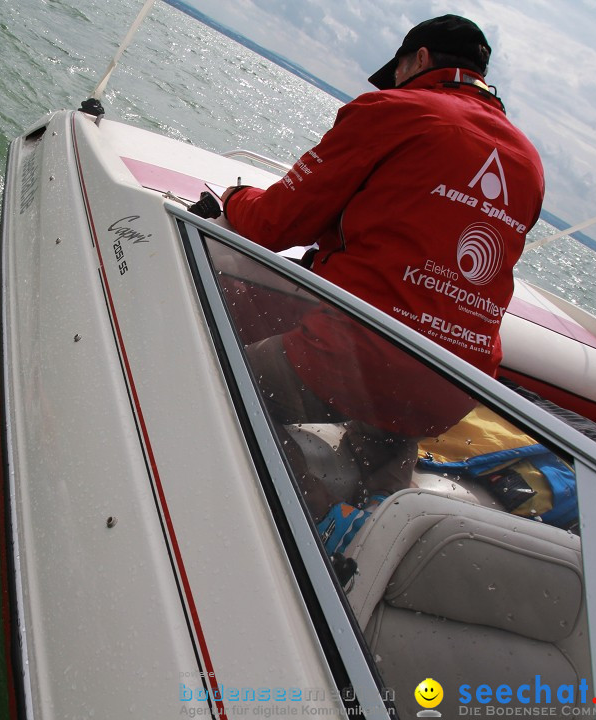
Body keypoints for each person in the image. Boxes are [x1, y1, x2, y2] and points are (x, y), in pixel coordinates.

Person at [219, 16, 546, 537]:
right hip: (453, 385)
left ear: (417, 60)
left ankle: (312, 513)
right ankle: (375, 525)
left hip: (358, 357)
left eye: (396, 70)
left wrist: (234, 198)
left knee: (221, 380)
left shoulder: (395, 110)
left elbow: (272, 224)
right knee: (392, 416)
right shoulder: (528, 162)